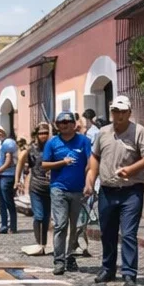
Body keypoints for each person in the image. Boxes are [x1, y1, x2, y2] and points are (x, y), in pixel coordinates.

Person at [86, 95, 144, 286]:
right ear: (111, 113)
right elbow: (95, 156)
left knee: (129, 233)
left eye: (123, 112)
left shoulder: (139, 131)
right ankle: (108, 268)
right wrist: (90, 179)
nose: (119, 115)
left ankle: (129, 273)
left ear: (129, 112)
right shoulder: (103, 132)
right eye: (116, 111)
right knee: (107, 232)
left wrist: (131, 170)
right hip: (107, 189)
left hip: (131, 190)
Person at [42, 111, 91, 275]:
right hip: (58, 188)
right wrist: (62, 162)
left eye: (68, 121)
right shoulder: (52, 143)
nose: (65, 125)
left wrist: (89, 182)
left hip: (78, 190)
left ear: (74, 124)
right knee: (61, 224)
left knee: (76, 226)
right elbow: (44, 165)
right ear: (57, 125)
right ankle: (59, 260)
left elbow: (91, 162)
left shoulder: (84, 141)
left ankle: (70, 256)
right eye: (61, 122)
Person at [17, 122, 51, 254]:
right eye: (41, 133)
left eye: (46, 133)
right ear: (36, 135)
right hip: (36, 187)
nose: (44, 135)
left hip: (50, 187)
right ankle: (39, 243)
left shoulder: (52, 147)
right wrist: (17, 180)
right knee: (39, 216)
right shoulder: (31, 149)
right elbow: (20, 162)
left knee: (46, 217)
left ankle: (43, 244)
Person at [0, 126, 19, 234]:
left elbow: (8, 161)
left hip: (7, 175)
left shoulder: (8, 143)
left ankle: (12, 226)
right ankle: (3, 225)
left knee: (8, 201)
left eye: (0, 131)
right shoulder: (0, 145)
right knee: (1, 202)